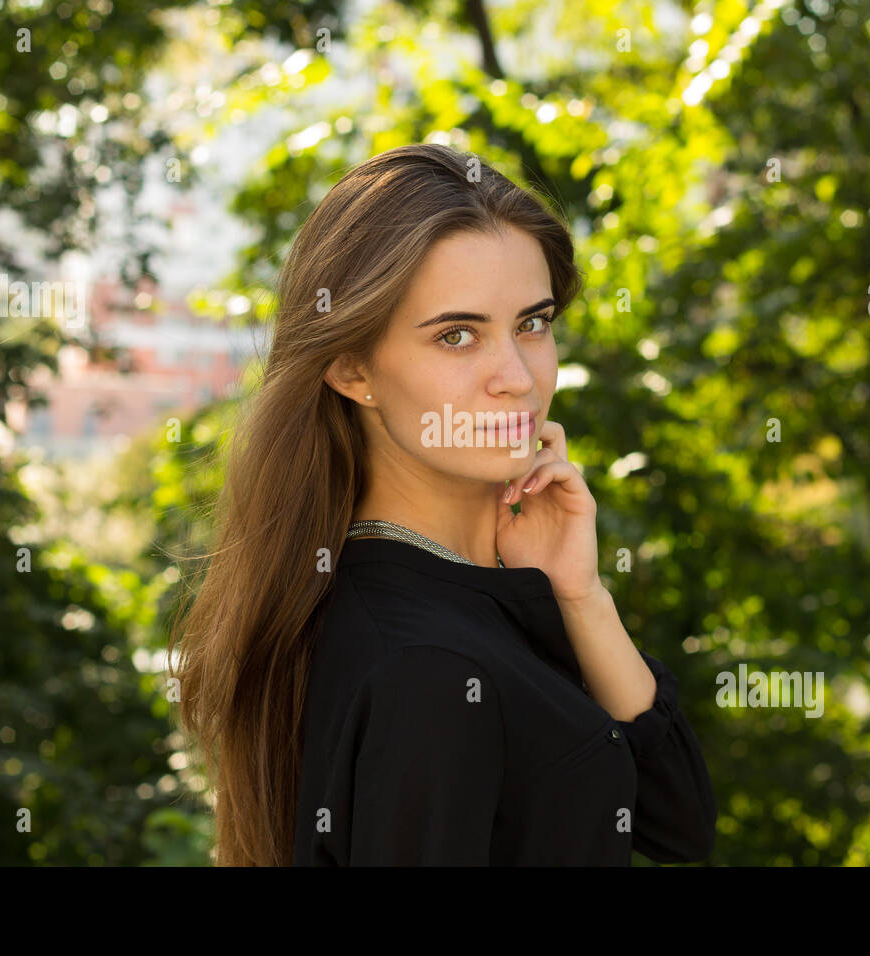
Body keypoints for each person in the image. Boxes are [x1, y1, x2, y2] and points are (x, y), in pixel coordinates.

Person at [170, 143, 716, 866]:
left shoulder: (455, 603)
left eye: (533, 323)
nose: (517, 376)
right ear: (351, 367)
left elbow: (677, 824)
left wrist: (580, 596)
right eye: (457, 336)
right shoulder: (423, 667)